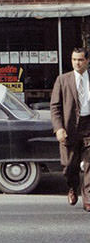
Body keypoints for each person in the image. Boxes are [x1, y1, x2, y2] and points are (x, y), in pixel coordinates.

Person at [50, 47, 90, 210]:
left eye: (80, 60)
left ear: (87, 61)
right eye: (74, 59)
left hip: (88, 127)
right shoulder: (63, 80)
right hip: (70, 129)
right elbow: (55, 107)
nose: (77, 63)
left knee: (89, 164)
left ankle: (88, 198)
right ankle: (72, 187)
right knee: (69, 166)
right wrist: (59, 128)